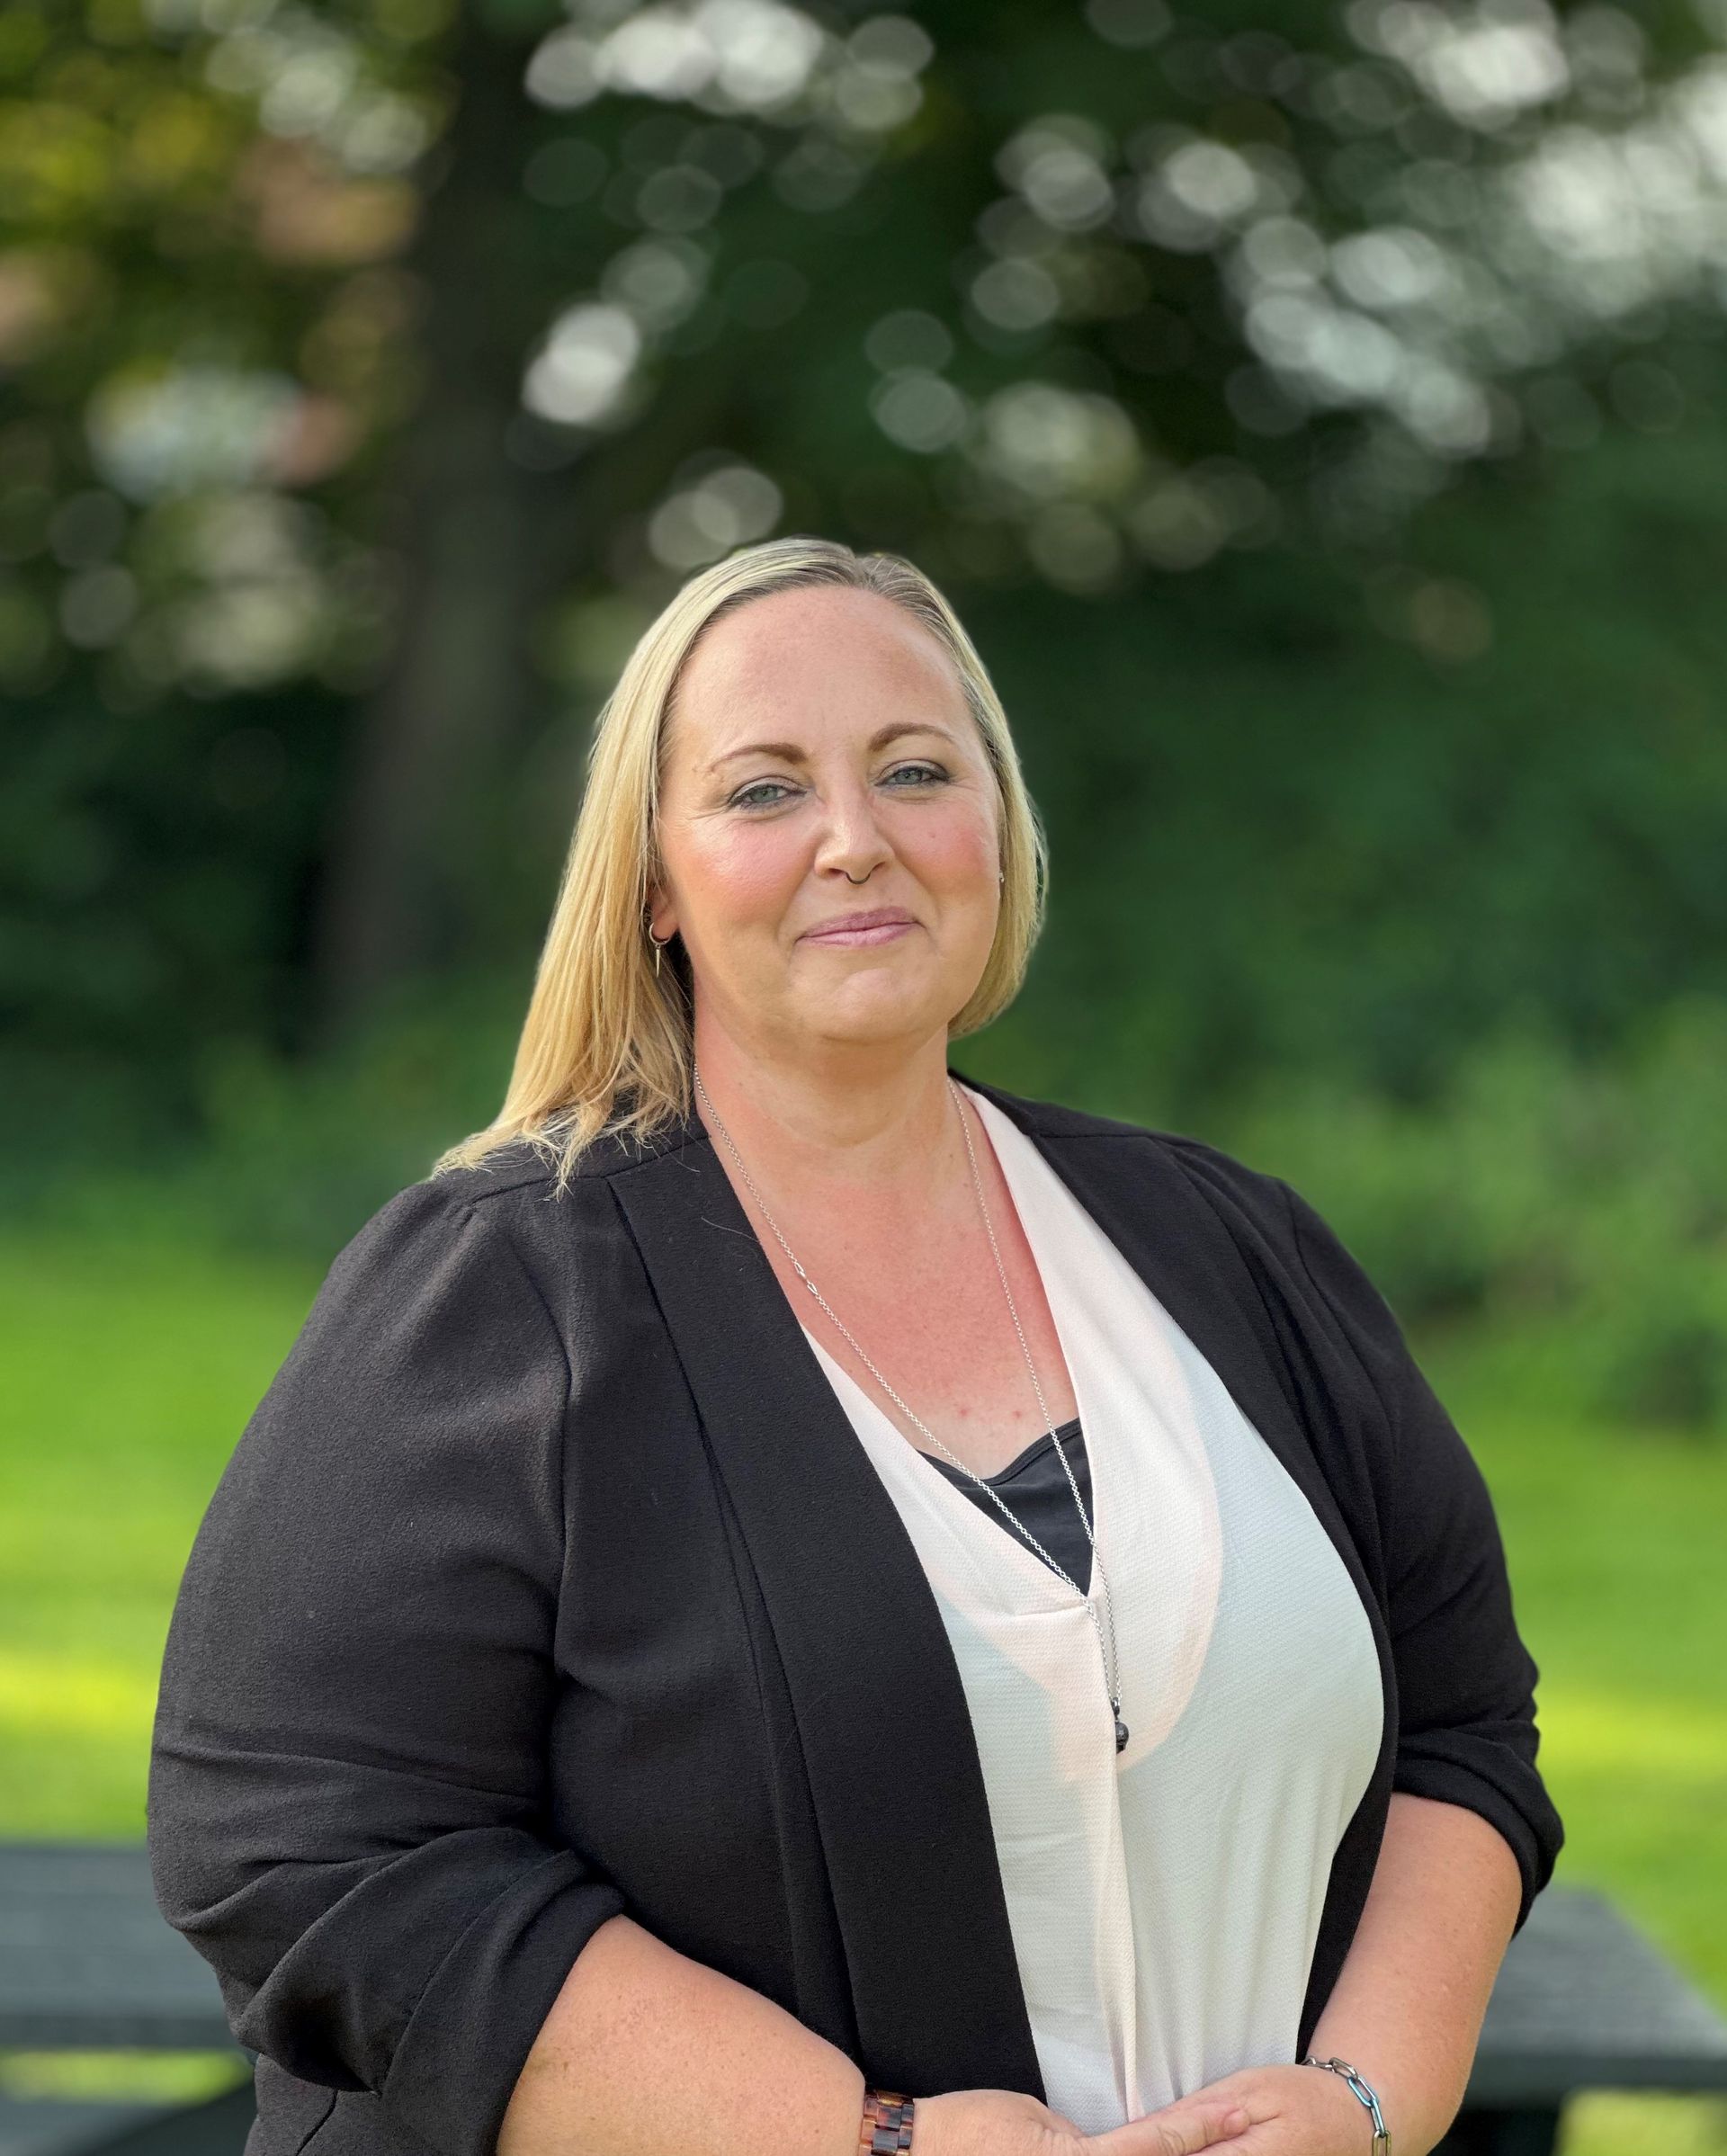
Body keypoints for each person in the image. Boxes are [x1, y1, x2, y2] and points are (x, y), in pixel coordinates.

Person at [148, 536, 1563, 2156]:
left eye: (913, 769)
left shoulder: (1237, 1250)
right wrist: (870, 2139)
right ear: (656, 885)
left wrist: (1371, 2101)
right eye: (763, 791)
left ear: (998, 833)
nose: (854, 841)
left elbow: (1463, 1724)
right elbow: (312, 1847)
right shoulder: (491, 1297)